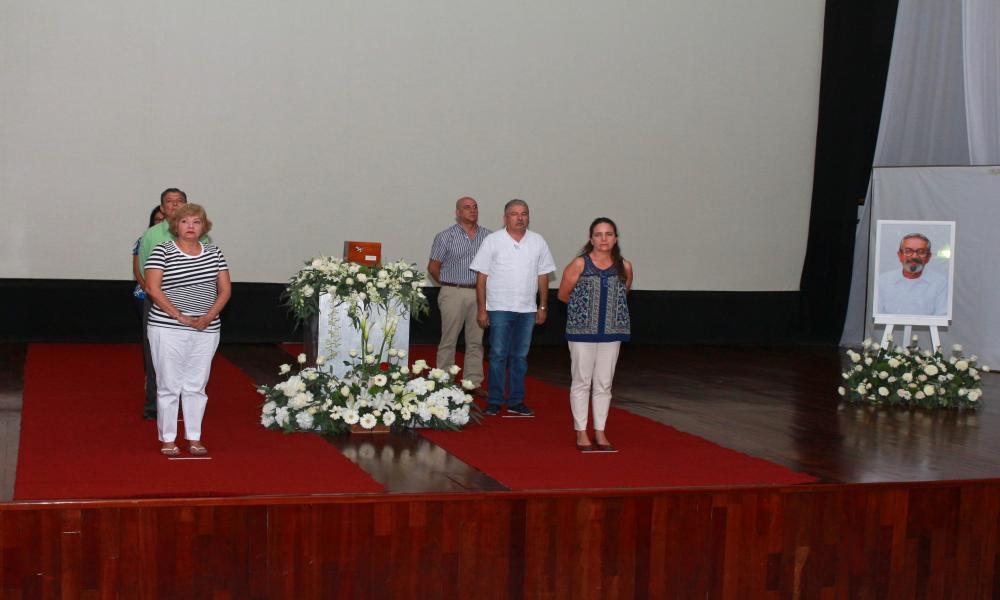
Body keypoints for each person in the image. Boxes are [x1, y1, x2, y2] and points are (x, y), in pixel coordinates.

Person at [145, 203, 231, 456]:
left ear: (204, 226)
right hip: (168, 327)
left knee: (196, 385)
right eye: (185, 222)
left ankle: (194, 437)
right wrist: (179, 316)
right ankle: (168, 439)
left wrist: (208, 317)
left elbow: (225, 289)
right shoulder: (163, 251)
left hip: (206, 328)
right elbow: (153, 288)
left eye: (196, 222)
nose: (191, 226)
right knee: (169, 385)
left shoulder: (214, 253)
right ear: (175, 226)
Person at [470, 199, 556, 416]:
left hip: (527, 309)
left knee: (520, 357)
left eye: (524, 213)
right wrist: (482, 309)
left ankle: (516, 401)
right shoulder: (493, 240)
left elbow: (543, 276)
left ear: (529, 216)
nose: (520, 217)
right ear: (505, 218)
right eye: (515, 213)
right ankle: (495, 401)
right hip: (499, 307)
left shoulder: (538, 241)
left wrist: (543, 306)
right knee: (498, 355)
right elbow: (481, 277)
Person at [557, 218, 633, 452]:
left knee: (604, 384)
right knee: (581, 381)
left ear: (615, 238)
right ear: (591, 239)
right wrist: (585, 313)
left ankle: (600, 431)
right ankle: (581, 431)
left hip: (612, 333)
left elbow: (624, 292)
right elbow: (563, 294)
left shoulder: (625, 266)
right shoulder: (579, 264)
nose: (603, 239)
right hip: (581, 333)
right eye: (598, 234)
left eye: (608, 234)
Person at [427, 197, 491, 393]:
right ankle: (444, 381)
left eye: (475, 207)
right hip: (453, 292)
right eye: (467, 207)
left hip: (480, 294)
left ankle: (472, 383)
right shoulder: (445, 236)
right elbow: (433, 267)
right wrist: (448, 284)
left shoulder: (489, 237)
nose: (472, 210)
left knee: (476, 341)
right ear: (457, 212)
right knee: (449, 339)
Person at [876, 233, 948, 316]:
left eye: (921, 252)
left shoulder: (940, 283)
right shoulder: (883, 281)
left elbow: (941, 317)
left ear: (928, 257)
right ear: (900, 255)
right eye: (908, 251)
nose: (914, 256)